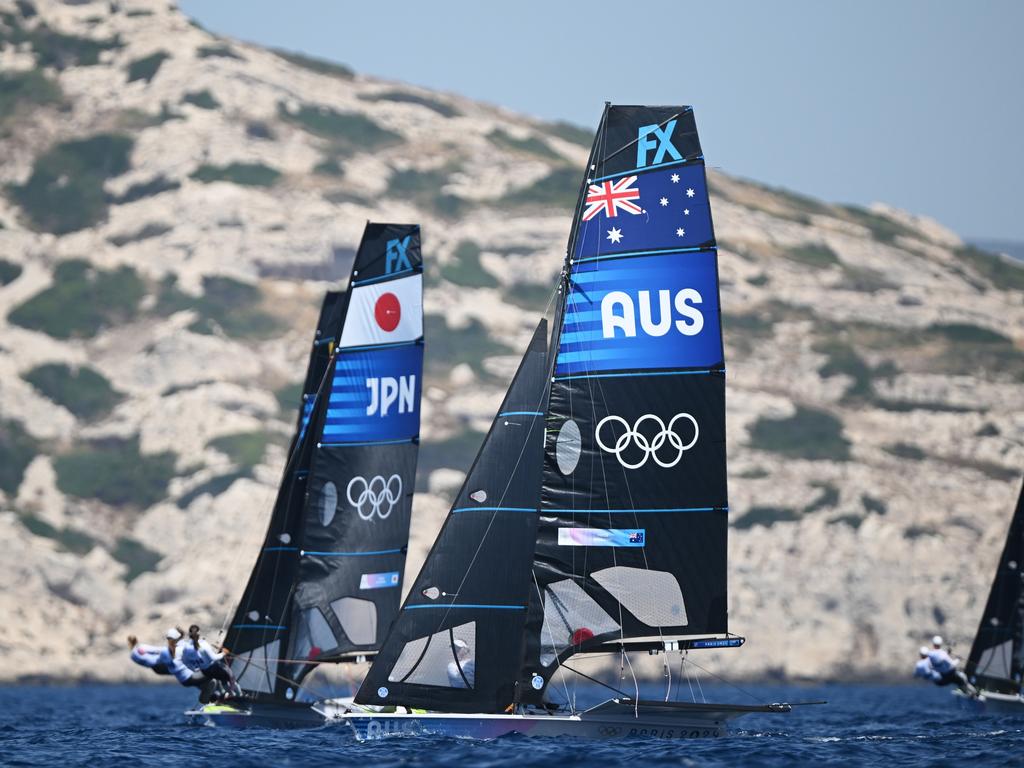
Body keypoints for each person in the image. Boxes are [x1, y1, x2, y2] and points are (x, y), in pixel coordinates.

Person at [160, 627, 218, 703]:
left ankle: (210, 699)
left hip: (184, 680)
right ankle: (219, 697)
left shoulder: (169, 649)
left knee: (209, 683)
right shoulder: (182, 646)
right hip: (191, 676)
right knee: (215, 672)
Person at [181, 624, 241, 698]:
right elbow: (214, 658)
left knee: (220, 680)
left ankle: (224, 694)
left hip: (204, 671)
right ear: (199, 633)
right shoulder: (203, 644)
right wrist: (223, 653)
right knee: (230, 678)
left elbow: (185, 661)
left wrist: (194, 668)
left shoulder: (186, 647)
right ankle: (238, 695)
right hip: (213, 668)